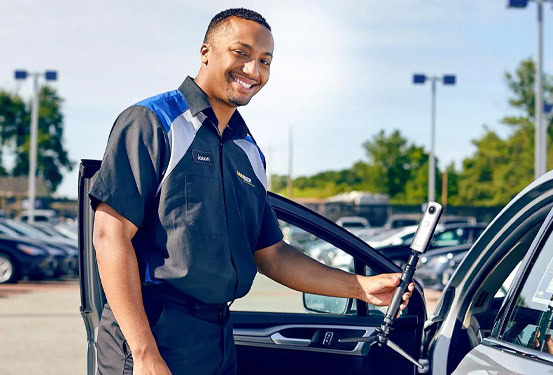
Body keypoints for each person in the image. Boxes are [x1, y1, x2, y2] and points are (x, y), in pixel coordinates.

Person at [90, 8, 414, 375]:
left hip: (217, 336)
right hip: (152, 330)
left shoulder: (248, 151)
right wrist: (144, 352)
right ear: (206, 51)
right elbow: (110, 235)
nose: (253, 70)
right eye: (241, 53)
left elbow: (272, 255)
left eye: (265, 61)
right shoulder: (153, 121)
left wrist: (359, 287)